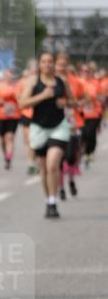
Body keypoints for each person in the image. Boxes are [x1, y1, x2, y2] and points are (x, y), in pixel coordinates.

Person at [18, 50, 74, 218]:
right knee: (43, 169)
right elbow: (22, 103)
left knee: (52, 165)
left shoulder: (61, 81)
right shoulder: (33, 82)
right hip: (39, 128)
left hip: (59, 127)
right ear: (40, 64)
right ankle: (48, 199)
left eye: (51, 61)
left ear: (55, 64)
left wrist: (65, 102)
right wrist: (42, 96)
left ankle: (53, 201)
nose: (48, 64)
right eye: (44, 61)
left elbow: (72, 101)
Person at [55, 53, 85, 200]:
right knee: (59, 159)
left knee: (71, 157)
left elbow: (82, 97)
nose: (61, 68)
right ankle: (61, 188)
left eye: (64, 65)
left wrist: (76, 103)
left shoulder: (75, 81)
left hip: (73, 121)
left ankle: (71, 181)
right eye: (59, 65)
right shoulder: (51, 81)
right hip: (55, 123)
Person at [0, 69, 20, 170]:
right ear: (4, 77)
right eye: (7, 76)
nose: (9, 78)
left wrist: (15, 98)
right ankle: (5, 154)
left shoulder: (17, 87)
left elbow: (21, 98)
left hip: (13, 115)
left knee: (10, 137)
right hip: (0, 115)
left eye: (11, 76)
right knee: (2, 139)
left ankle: (9, 158)